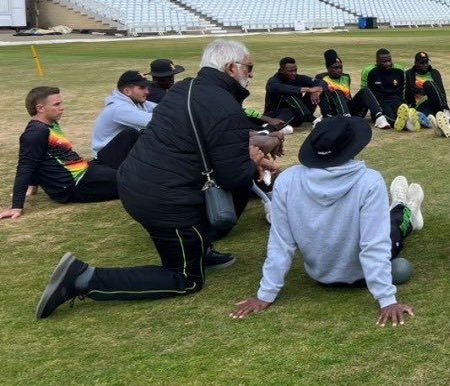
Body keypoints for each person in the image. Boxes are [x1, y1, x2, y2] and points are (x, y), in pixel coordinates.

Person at [34, 40, 278, 319]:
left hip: (139, 182)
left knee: (197, 210)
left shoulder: (185, 88)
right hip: (163, 198)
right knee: (185, 279)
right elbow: (233, 176)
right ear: (231, 68)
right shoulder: (225, 106)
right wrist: (253, 161)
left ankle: (199, 250)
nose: (251, 73)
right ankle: (83, 279)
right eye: (249, 67)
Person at [230, 115, 424, 327]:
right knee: (393, 228)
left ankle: (400, 206)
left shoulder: (287, 180)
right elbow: (374, 245)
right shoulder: (370, 181)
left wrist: (265, 294)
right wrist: (387, 299)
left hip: (320, 275)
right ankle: (406, 211)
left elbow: (280, 243)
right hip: (360, 276)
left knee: (382, 224)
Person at [1, 87, 124, 220]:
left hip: (87, 169)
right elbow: (26, 166)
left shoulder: (50, 124)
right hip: (76, 186)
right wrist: (16, 206)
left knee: (129, 135)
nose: (62, 107)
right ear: (40, 108)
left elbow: (39, 158)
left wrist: (33, 186)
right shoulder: (35, 133)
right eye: (57, 104)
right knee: (136, 181)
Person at [90, 70, 155, 167]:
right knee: (135, 133)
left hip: (117, 152)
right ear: (127, 91)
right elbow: (153, 121)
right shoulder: (119, 108)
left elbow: (162, 108)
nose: (147, 91)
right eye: (142, 88)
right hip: (106, 159)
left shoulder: (137, 101)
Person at [315, 48, 380, 119]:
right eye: (335, 68)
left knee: (365, 91)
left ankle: (380, 116)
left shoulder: (346, 77)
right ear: (328, 68)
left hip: (350, 110)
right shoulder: (321, 78)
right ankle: (345, 117)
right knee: (338, 92)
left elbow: (348, 96)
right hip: (335, 112)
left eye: (340, 67)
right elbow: (323, 98)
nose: (339, 70)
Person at [360, 48, 413, 131]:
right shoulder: (369, 71)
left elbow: (403, 89)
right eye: (384, 62)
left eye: (389, 60)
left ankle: (413, 120)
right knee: (389, 116)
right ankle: (400, 124)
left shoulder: (399, 70)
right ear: (377, 61)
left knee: (403, 111)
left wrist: (403, 101)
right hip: (381, 102)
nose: (388, 63)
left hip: (397, 100)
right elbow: (364, 92)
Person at [264, 57, 325, 127]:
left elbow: (321, 82)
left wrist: (317, 91)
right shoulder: (273, 81)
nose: (294, 73)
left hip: (298, 115)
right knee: (288, 93)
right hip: (277, 116)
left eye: (295, 70)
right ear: (281, 70)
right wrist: (308, 89)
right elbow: (279, 88)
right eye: (290, 71)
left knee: (317, 90)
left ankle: (327, 115)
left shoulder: (299, 78)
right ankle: (314, 120)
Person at [404, 51, 450, 136]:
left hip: (435, 102)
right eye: (422, 63)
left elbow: (441, 91)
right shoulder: (409, 74)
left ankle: (445, 114)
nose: (425, 65)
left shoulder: (434, 73)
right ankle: (430, 123)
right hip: (420, 104)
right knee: (425, 116)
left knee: (428, 84)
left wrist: (446, 107)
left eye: (426, 62)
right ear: (416, 63)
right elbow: (406, 92)